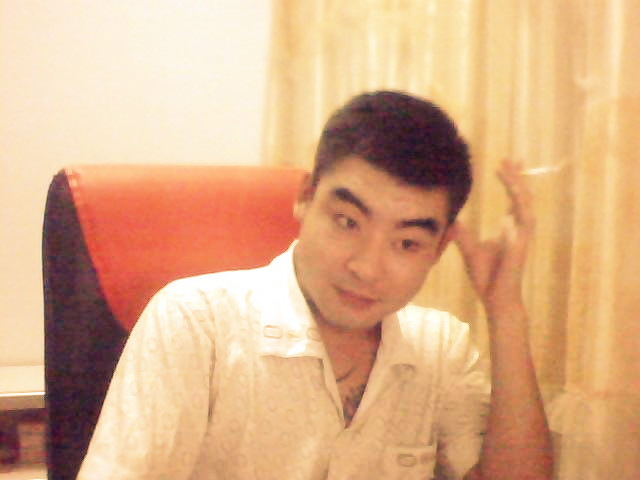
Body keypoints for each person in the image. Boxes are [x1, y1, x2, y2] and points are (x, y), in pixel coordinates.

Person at [77, 91, 553, 479]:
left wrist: (505, 312)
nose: (367, 268)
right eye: (347, 222)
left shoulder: (440, 349)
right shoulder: (197, 324)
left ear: (440, 247)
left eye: (406, 243)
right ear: (306, 197)